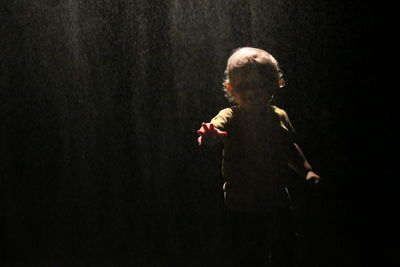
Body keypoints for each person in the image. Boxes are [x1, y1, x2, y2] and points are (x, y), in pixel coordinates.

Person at [197, 47, 321, 266]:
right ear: (230, 89)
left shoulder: (280, 116)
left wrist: (307, 170)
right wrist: (211, 135)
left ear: (277, 83)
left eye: (260, 84)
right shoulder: (231, 116)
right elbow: (217, 126)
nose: (251, 91)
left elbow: (289, 148)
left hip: (278, 204)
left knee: (285, 252)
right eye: (243, 86)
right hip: (241, 208)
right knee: (249, 256)